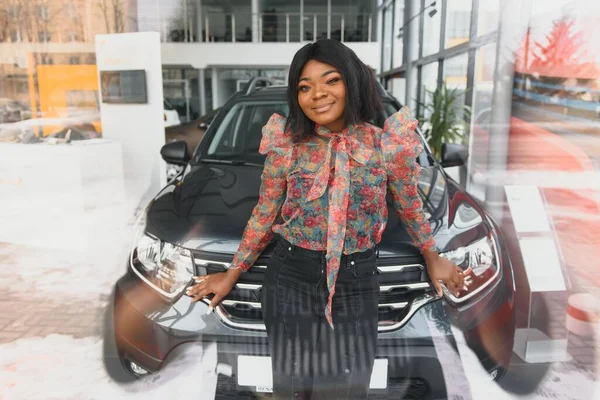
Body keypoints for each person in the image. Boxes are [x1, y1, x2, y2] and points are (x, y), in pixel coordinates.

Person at [186, 39, 465, 399]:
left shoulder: (386, 144)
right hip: (290, 279)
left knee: (348, 389)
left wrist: (432, 255)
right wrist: (233, 273)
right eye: (304, 86)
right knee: (291, 387)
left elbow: (410, 205)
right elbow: (265, 211)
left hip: (357, 280)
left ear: (352, 82)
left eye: (331, 80)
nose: (317, 94)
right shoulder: (286, 145)